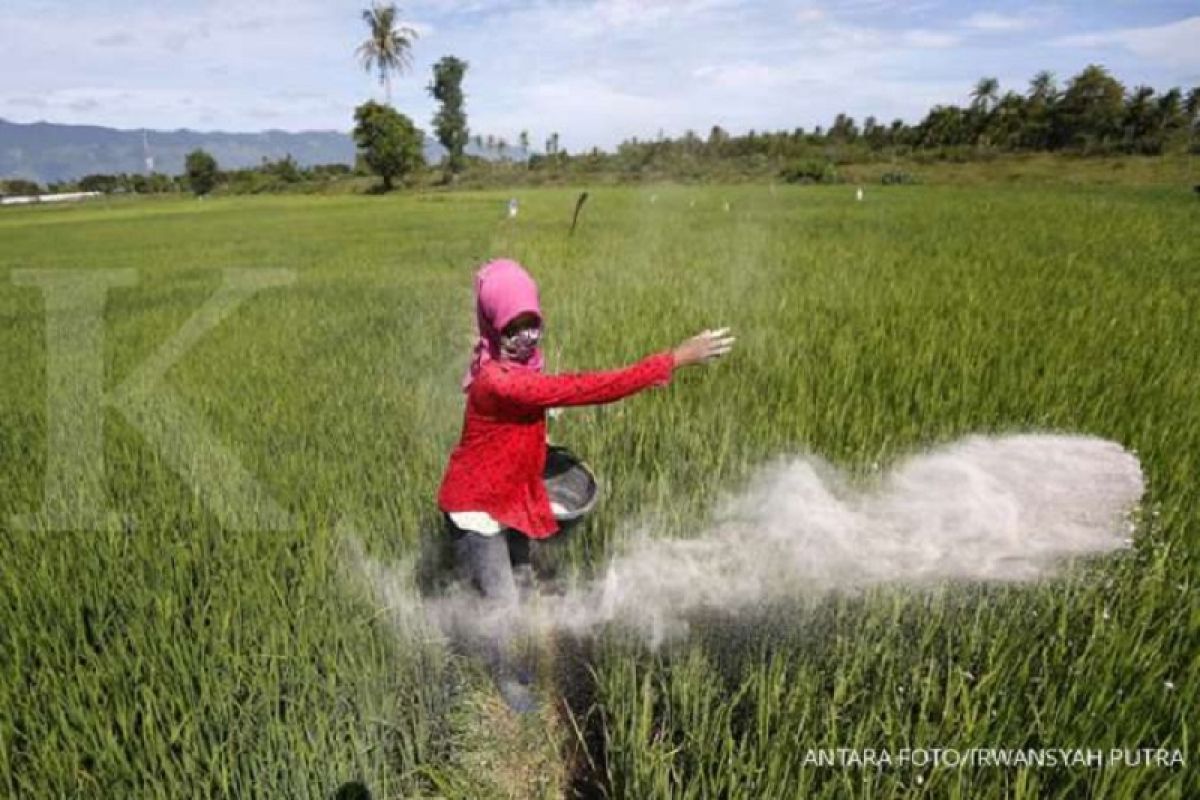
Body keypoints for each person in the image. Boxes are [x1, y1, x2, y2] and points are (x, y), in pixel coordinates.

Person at [436, 258, 735, 711]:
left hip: (505, 495)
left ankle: (510, 654)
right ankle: (504, 677)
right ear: (494, 325)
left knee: (516, 580)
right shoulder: (498, 380)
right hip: (478, 508)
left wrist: (538, 440)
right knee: (501, 602)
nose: (527, 335)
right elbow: (585, 389)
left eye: (532, 322)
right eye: (513, 326)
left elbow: (520, 421)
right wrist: (673, 359)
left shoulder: (517, 366)